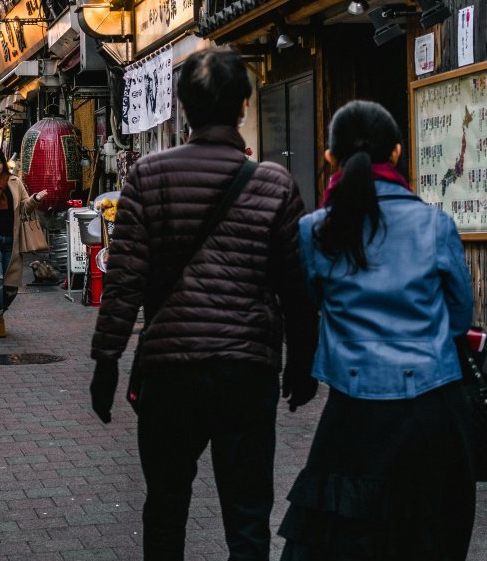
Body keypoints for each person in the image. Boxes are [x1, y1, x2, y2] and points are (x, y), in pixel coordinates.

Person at [88, 48, 319, 561]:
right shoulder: (274, 184)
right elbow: (296, 286)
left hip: (170, 369)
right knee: (248, 515)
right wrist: (304, 362)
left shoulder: (147, 177)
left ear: (183, 107)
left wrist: (106, 361)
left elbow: (124, 281)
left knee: (166, 506)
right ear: (243, 106)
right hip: (247, 369)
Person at [278, 100, 475, 561]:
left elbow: (309, 306)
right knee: (428, 534)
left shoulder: (315, 231)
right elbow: (460, 317)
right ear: (398, 153)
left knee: (346, 539)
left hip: (353, 412)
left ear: (331, 157)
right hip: (432, 407)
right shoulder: (435, 224)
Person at [0, 145, 46, 337]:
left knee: (11, 288)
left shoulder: (14, 182)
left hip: (13, 242)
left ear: (3, 163)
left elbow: (24, 207)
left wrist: (36, 199)